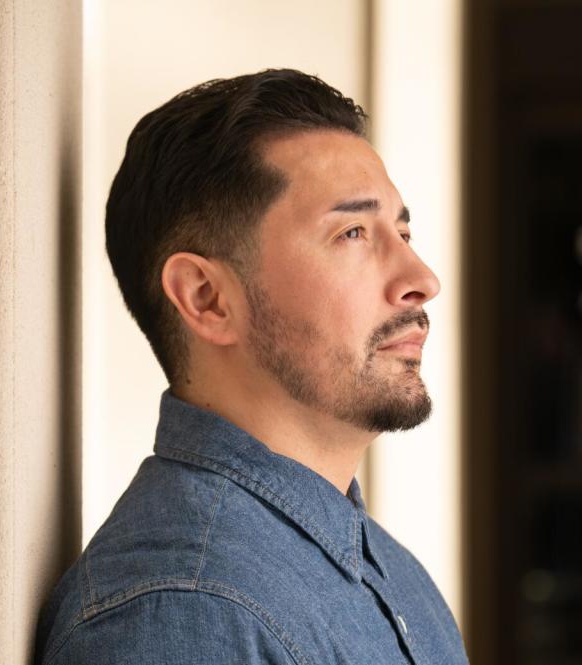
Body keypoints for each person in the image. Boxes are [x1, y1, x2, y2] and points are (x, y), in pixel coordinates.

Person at [35, 70, 469, 664]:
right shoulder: (186, 611)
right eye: (352, 233)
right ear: (207, 298)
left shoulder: (387, 573)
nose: (422, 280)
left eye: (402, 231)